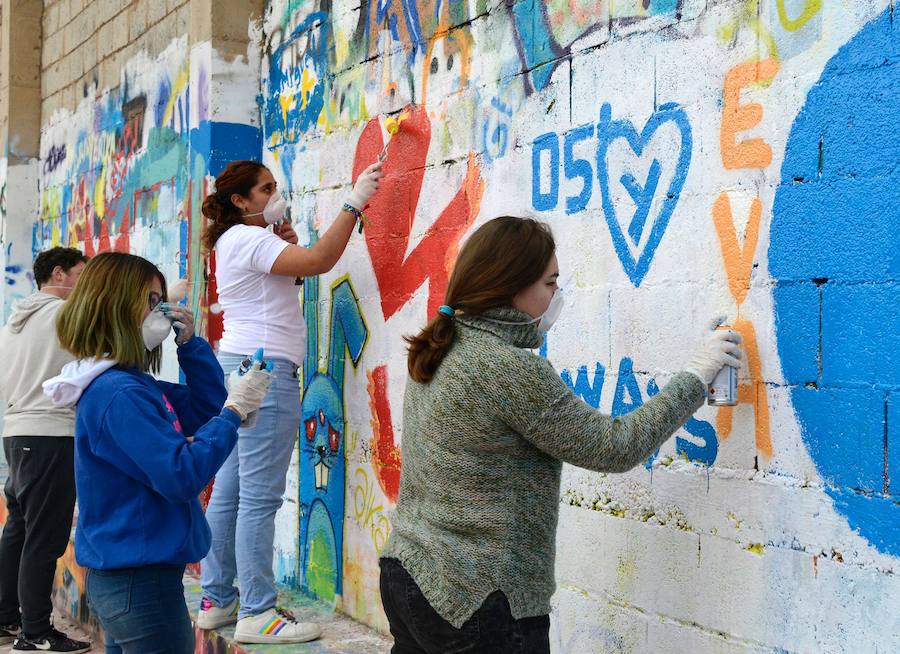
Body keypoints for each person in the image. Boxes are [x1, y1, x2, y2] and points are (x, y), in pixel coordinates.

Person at [379, 216, 743, 653]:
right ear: (512, 285)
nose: (557, 296)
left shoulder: (443, 345)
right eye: (551, 284)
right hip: (478, 600)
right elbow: (614, 447)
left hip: (410, 574)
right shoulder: (505, 367)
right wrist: (696, 376)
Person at [44, 252, 271, 654]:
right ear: (116, 305)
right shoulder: (119, 393)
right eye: (152, 301)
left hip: (137, 577)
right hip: (138, 582)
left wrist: (191, 347)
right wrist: (234, 412)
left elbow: (205, 411)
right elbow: (181, 474)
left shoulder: (133, 384)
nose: (163, 311)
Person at [197, 159, 383, 643]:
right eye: (265, 189)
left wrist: (284, 240)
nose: (275, 193)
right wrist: (354, 200)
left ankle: (217, 599)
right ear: (241, 202)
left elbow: (290, 275)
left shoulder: (237, 241)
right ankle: (258, 611)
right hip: (266, 370)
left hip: (241, 364)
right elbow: (321, 261)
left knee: (232, 489)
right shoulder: (249, 239)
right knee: (257, 497)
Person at [0, 247, 90, 653]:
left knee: (19, 530)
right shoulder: (63, 315)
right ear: (59, 273)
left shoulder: (15, 322)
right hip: (51, 435)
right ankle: (35, 633)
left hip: (18, 434)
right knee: (44, 539)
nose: (86, 285)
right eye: (81, 275)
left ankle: (6, 618)